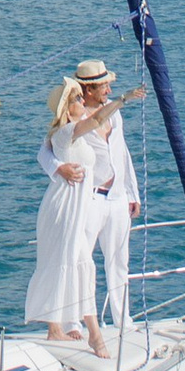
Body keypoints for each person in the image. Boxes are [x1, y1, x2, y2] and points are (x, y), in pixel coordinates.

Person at [24, 71, 106, 352]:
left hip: (75, 204)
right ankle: (93, 334)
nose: (83, 101)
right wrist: (124, 98)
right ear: (68, 108)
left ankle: (56, 327)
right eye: (78, 99)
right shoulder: (66, 131)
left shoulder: (72, 129)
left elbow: (43, 153)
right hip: (64, 206)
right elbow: (95, 120)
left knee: (63, 261)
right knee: (76, 262)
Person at [74, 63, 142, 334]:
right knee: (83, 261)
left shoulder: (114, 115)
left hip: (116, 198)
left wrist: (131, 192)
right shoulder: (74, 117)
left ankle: (122, 320)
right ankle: (76, 321)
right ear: (88, 90)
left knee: (119, 261)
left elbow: (122, 153)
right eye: (104, 87)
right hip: (90, 198)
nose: (109, 90)